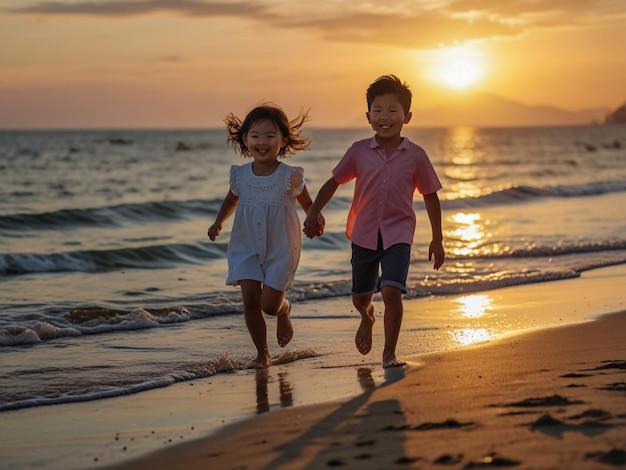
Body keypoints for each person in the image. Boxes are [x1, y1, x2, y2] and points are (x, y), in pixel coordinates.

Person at [304, 75, 445, 368]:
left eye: (393, 110)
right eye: (378, 110)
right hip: (364, 233)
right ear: (368, 117)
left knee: (392, 290)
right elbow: (334, 182)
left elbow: (431, 195)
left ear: (407, 116)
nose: (385, 117)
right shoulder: (358, 151)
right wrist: (313, 212)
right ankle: (366, 316)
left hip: (399, 234)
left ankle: (389, 354)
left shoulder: (416, 155)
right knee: (360, 297)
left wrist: (437, 239)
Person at [208, 104, 324, 368]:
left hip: (280, 247)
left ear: (283, 140)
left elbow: (308, 204)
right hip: (245, 243)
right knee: (250, 301)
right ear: (245, 139)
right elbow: (230, 201)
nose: (262, 142)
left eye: (270, 136)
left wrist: (314, 218)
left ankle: (284, 310)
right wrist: (218, 222)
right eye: (255, 135)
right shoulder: (240, 175)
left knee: (268, 305)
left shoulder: (290, 176)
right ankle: (263, 353)